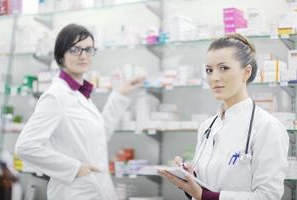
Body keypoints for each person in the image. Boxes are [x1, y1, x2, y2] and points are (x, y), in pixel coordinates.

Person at [15, 23, 145, 200]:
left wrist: (119, 94)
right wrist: (74, 168)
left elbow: (100, 135)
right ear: (61, 54)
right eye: (75, 49)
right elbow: (26, 147)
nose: (83, 56)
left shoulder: (80, 94)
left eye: (89, 49)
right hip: (74, 192)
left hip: (98, 190)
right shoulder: (55, 96)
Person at [158, 34, 289, 200]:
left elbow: (268, 196)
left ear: (246, 72)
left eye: (224, 68)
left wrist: (204, 196)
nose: (214, 78)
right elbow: (209, 184)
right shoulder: (207, 126)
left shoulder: (267, 127)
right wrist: (190, 177)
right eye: (209, 70)